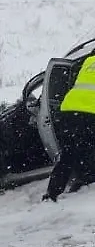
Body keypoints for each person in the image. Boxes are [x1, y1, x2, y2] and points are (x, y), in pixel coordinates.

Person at [44, 55, 95, 201]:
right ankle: (85, 183)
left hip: (69, 109)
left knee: (69, 154)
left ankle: (52, 192)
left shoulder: (88, 61)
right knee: (89, 150)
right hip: (90, 111)